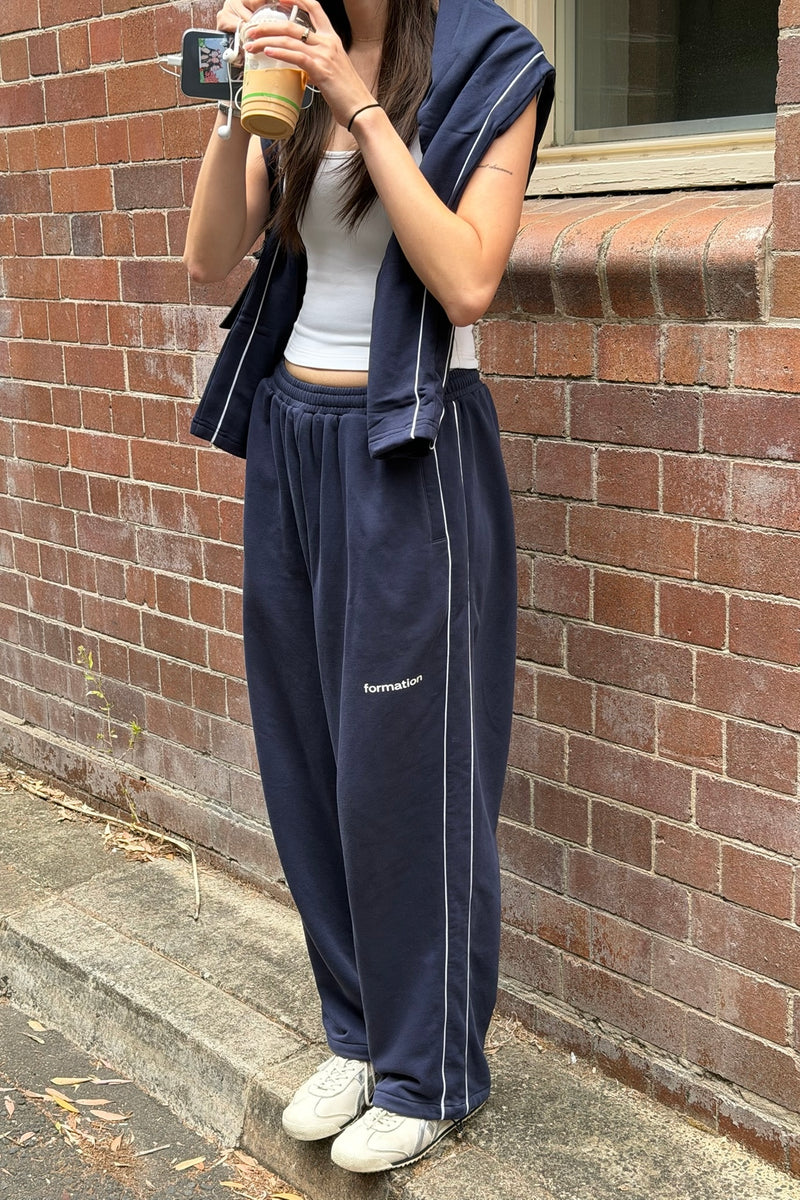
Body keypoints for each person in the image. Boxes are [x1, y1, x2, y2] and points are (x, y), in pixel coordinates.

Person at [183, 0, 554, 1174]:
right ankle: (357, 1033)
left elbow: (466, 279)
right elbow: (206, 263)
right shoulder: (291, 50)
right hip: (290, 435)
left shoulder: (493, 60)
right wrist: (242, 102)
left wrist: (356, 103)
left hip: (409, 442)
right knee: (309, 756)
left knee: (407, 768)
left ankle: (431, 1068)